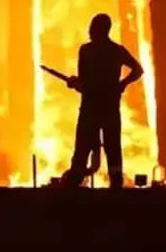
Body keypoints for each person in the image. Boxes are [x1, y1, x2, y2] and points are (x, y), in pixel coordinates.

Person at [61, 13, 143, 188]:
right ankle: (115, 185)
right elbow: (138, 70)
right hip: (109, 107)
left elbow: (83, 82)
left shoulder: (87, 51)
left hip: (91, 108)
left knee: (83, 148)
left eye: (92, 27)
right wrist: (122, 84)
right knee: (112, 148)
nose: (90, 31)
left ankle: (73, 186)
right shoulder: (117, 51)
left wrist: (76, 83)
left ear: (99, 29)